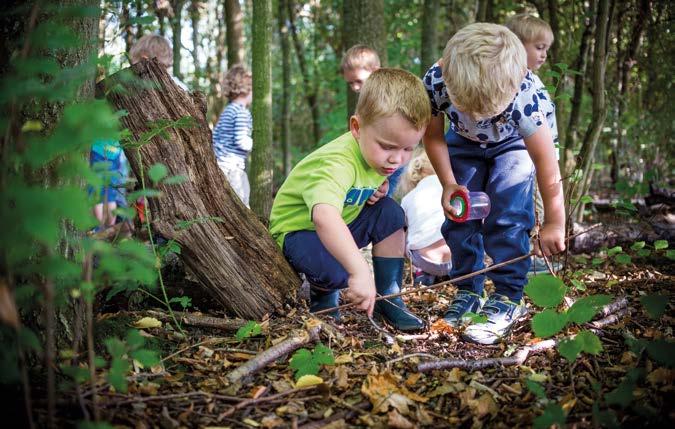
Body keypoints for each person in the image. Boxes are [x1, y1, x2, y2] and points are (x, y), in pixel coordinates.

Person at [422, 23, 566, 344]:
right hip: (461, 142)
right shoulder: (436, 80)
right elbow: (432, 136)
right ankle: (467, 289)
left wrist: (556, 221)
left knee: (508, 214)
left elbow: (545, 162)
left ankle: (508, 296)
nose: (477, 115)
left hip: (513, 144)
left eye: (485, 111)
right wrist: (448, 183)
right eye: (468, 108)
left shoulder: (527, 93)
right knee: (460, 214)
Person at [269, 68, 430, 332]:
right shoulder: (337, 162)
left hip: (342, 223)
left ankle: (389, 297)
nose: (397, 159)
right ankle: (324, 298)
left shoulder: (376, 158)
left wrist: (379, 188)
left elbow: (364, 187)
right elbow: (323, 216)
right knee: (339, 272)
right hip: (299, 232)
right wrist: (359, 270)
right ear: (356, 128)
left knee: (390, 213)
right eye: (388, 147)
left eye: (408, 149)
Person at [505, 13, 562, 275]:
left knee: (540, 207)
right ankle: (525, 259)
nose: (544, 55)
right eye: (539, 48)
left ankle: (537, 257)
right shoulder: (511, 82)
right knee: (527, 212)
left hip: (546, 159)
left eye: (546, 49)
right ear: (517, 44)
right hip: (525, 161)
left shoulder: (534, 81)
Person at [341, 45, 404, 197]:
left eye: (358, 81)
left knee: (383, 197)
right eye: (350, 83)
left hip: (392, 161)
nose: (355, 87)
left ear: (375, 72)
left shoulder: (389, 97)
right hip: (372, 160)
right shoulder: (366, 99)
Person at [399, 150, 452, 286]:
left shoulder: (407, 198)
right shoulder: (450, 188)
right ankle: (457, 273)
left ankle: (421, 272)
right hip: (455, 258)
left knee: (403, 232)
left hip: (425, 260)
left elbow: (404, 230)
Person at [212, 65, 253, 206]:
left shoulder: (228, 110)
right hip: (231, 167)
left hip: (221, 164)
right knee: (241, 204)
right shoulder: (242, 112)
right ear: (247, 89)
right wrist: (255, 144)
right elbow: (241, 140)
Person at [89, 139, 127, 229]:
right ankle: (110, 229)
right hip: (115, 152)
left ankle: (97, 229)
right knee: (111, 194)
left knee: (97, 192)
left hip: (98, 149)